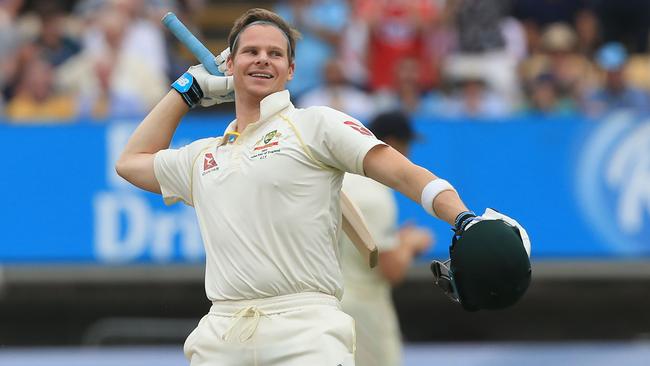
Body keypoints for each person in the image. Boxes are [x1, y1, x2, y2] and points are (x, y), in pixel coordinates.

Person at [116, 8, 528, 365]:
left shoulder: (315, 125)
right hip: (221, 333)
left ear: (291, 70)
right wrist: (187, 90)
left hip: (305, 330)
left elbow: (403, 172)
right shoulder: (204, 155)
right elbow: (130, 163)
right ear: (230, 65)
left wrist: (462, 217)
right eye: (251, 52)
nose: (263, 60)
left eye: (275, 53)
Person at [339, 111, 433, 366]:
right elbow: (391, 270)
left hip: (326, 307)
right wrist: (411, 243)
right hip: (363, 310)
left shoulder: (342, 180)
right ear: (390, 144)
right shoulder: (375, 195)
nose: (409, 155)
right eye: (406, 146)